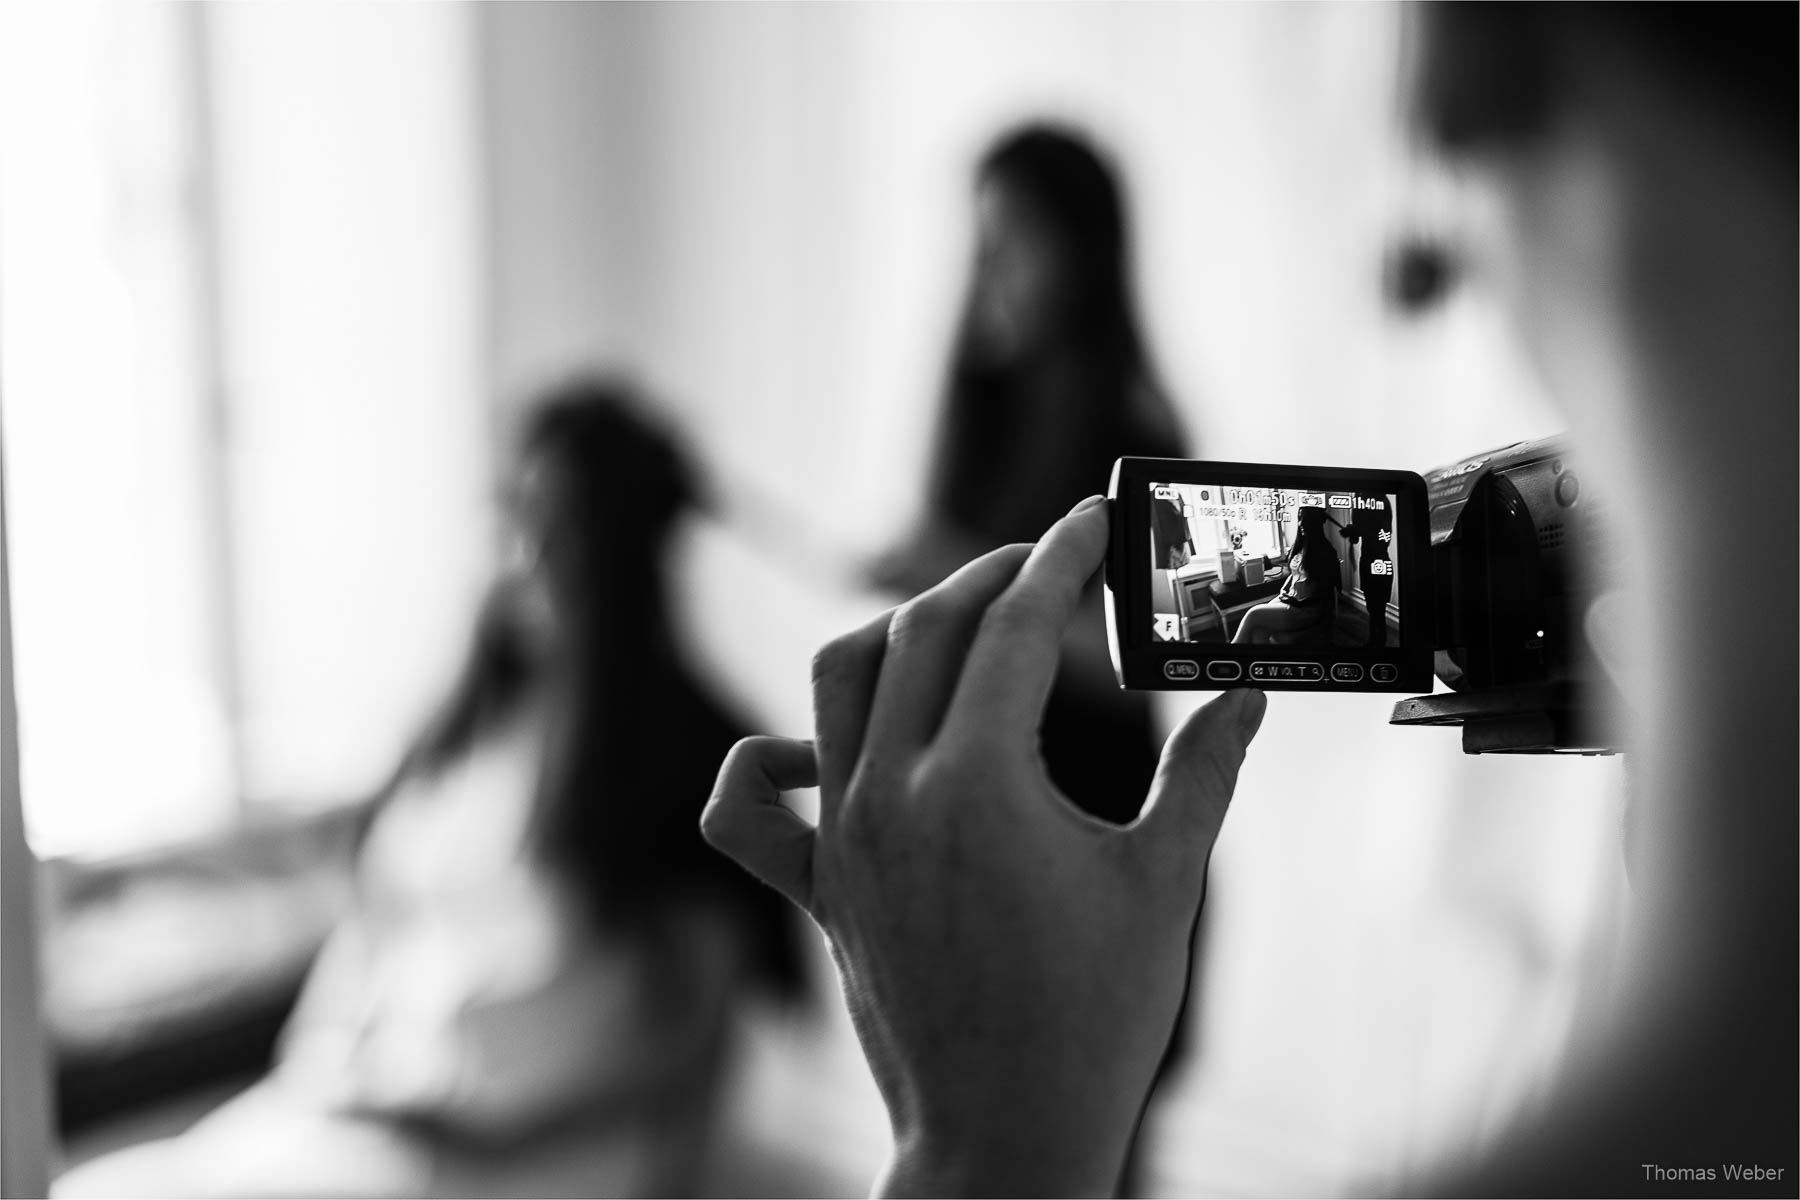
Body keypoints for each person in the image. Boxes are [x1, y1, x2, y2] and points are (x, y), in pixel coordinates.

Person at [703, 5, 1795, 1197]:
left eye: (1014, 240)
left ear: (1472, 73)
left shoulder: (1122, 418)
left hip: (1099, 824)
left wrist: (977, 1150)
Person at [60, 382, 805, 1199]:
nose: (521, 552)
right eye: (514, 512)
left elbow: (696, 1036)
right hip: (369, 1112)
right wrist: (331, 1069)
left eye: (555, 527)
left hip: (525, 1159)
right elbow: (379, 928)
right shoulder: (467, 730)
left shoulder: (688, 752)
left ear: (616, 547)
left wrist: (484, 1127)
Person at [870, 123, 1185, 826]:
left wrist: (955, 567)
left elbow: (1134, 661)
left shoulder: (1138, 430)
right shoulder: (990, 413)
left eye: (1013, 239)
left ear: (1083, 249)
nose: (989, 269)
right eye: (983, 244)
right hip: (988, 813)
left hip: (1094, 816)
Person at [1230, 505, 1341, 645]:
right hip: (1290, 599)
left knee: (1253, 614)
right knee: (1260, 631)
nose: (1300, 524)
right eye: (1299, 519)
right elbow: (1294, 575)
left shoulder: (1325, 552)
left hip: (1306, 609)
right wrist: (1283, 591)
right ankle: (1263, 665)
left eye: (1305, 520)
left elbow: (1327, 591)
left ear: (1315, 523)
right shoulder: (1300, 546)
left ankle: (1232, 649)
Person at [1341, 493, 1394, 648]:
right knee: (1372, 608)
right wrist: (1353, 532)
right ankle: (1373, 642)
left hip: (1380, 562)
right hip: (1366, 562)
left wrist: (1358, 531)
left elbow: (1385, 539)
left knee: (1379, 609)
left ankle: (1379, 643)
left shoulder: (1382, 501)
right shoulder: (1359, 499)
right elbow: (1356, 538)